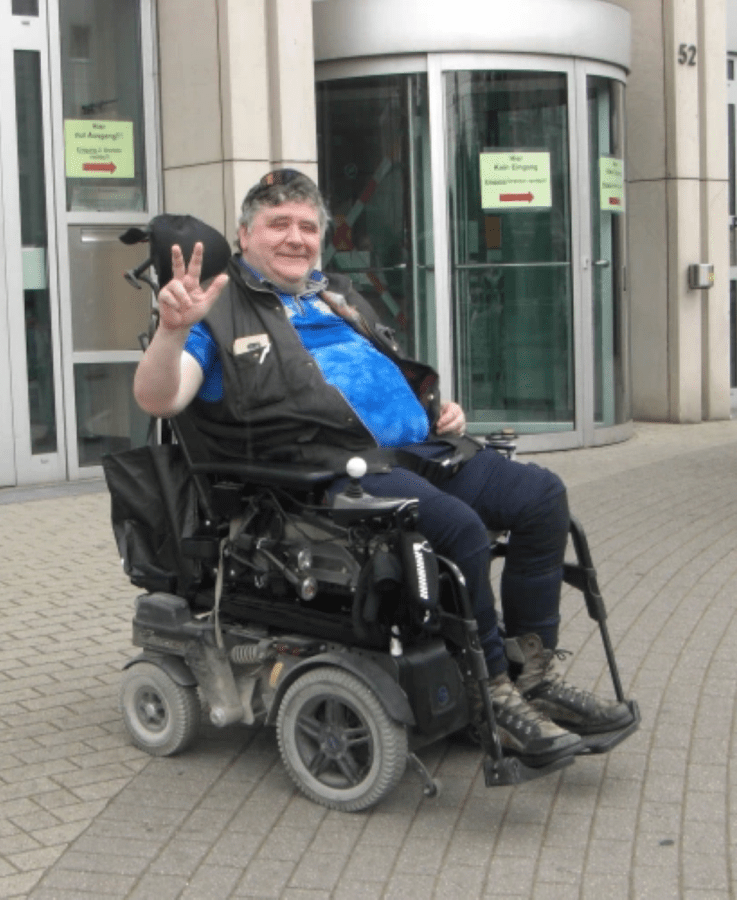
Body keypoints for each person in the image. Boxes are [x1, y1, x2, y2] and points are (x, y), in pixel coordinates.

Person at [133, 168, 633, 766]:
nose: (295, 237)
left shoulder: (334, 295)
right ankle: (491, 691)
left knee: (541, 497)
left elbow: (381, 375)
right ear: (244, 236)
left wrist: (434, 411)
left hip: (417, 453)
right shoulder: (216, 313)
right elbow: (160, 399)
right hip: (324, 475)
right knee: (460, 530)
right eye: (277, 224)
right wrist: (171, 331)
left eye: (307, 225)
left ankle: (533, 674)